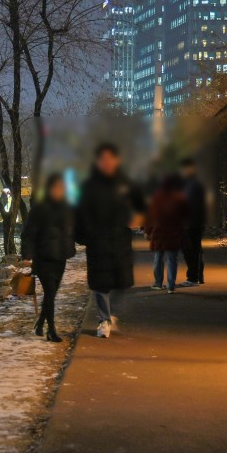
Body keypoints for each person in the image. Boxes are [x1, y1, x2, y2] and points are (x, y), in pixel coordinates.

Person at [76, 143, 146, 338]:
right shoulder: (89, 186)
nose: (106, 163)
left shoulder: (126, 184)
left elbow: (141, 206)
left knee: (122, 284)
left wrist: (139, 219)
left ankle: (111, 313)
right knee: (100, 284)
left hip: (120, 241)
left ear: (117, 160)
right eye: (102, 159)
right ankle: (103, 320)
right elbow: (79, 213)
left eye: (110, 158)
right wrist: (83, 236)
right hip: (97, 241)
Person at [21, 174, 76, 343]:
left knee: (51, 294)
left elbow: (74, 229)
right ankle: (51, 330)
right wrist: (27, 256)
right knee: (50, 293)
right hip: (43, 257)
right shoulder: (40, 208)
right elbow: (28, 234)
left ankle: (40, 323)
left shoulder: (67, 207)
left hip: (61, 256)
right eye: (57, 187)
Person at [147, 174, 189, 294]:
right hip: (174, 233)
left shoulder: (157, 198)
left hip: (159, 232)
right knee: (172, 259)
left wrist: (148, 231)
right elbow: (186, 215)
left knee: (158, 258)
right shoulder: (179, 198)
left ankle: (158, 283)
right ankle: (170, 286)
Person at [180, 157, 206, 286]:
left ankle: (192, 278)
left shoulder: (192, 185)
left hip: (191, 223)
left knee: (190, 250)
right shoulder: (193, 184)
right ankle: (198, 275)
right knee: (195, 250)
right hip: (194, 222)